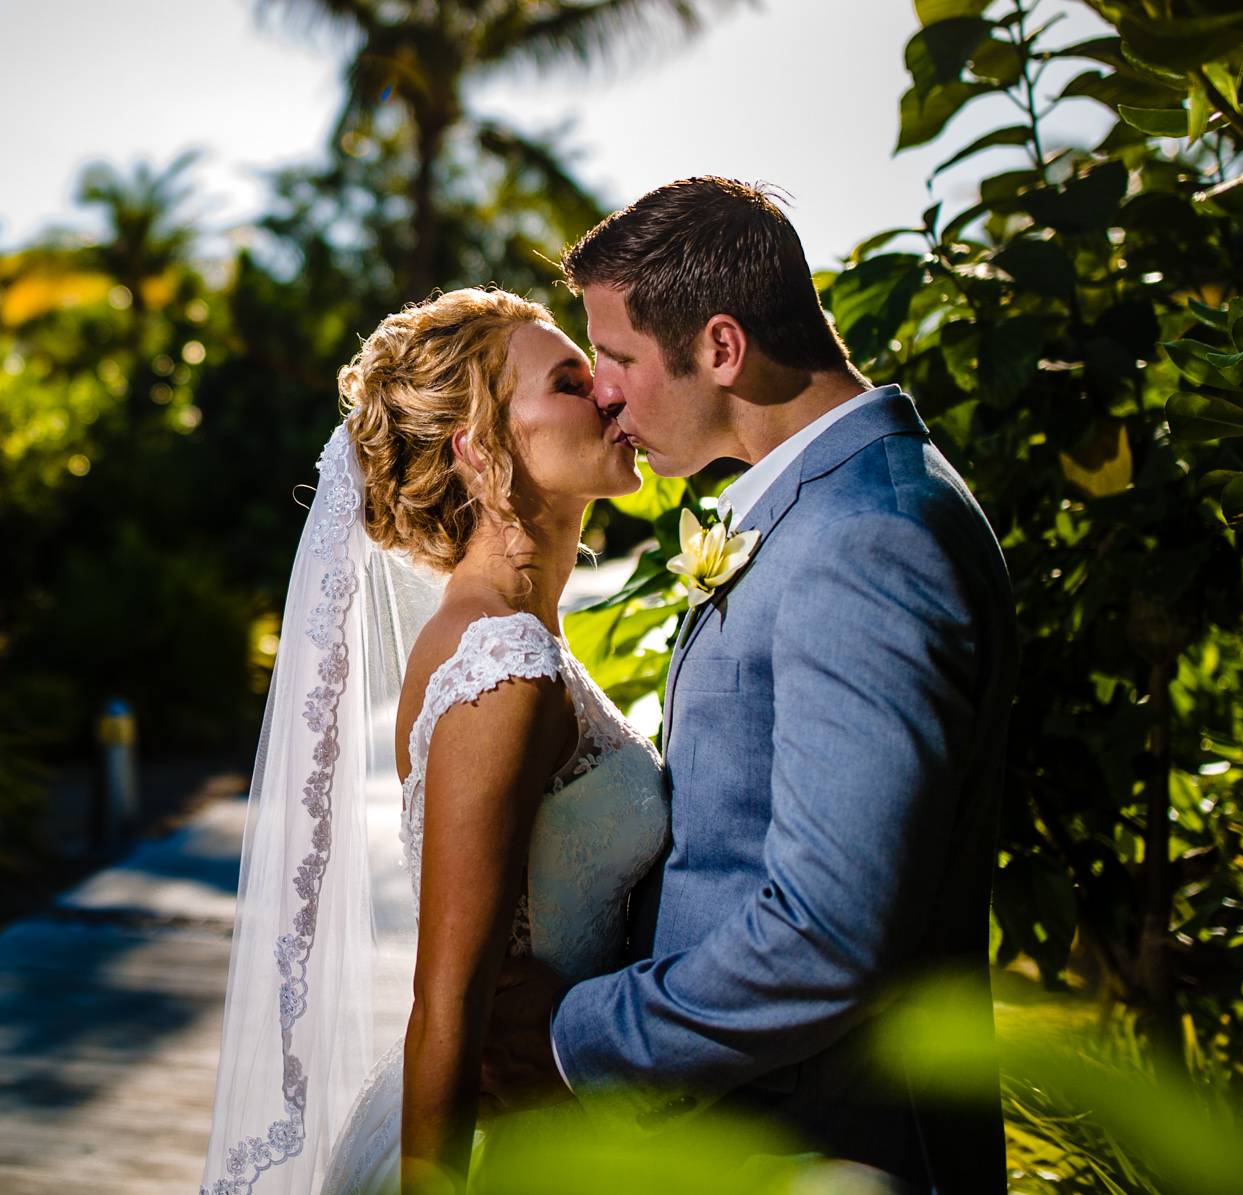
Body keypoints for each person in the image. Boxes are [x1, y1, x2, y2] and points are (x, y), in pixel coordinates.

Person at [478, 176, 1016, 1194]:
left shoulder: (866, 539)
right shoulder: (823, 510)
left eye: (622, 358)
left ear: (721, 348)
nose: (604, 391)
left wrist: (573, 1036)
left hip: (832, 1150)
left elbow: (826, 932)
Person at [200, 286, 672, 1195]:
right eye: (571, 380)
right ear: (482, 449)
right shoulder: (503, 664)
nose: (611, 393)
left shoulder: (515, 639)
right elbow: (447, 1005)